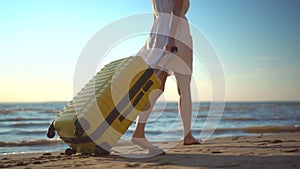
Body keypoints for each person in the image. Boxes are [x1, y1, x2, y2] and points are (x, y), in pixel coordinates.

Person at [131, 0, 201, 151]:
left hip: (158, 34)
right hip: (176, 35)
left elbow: (157, 17)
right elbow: (175, 14)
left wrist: (153, 41)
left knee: (156, 85)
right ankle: (187, 136)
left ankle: (139, 131)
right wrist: (171, 39)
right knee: (183, 88)